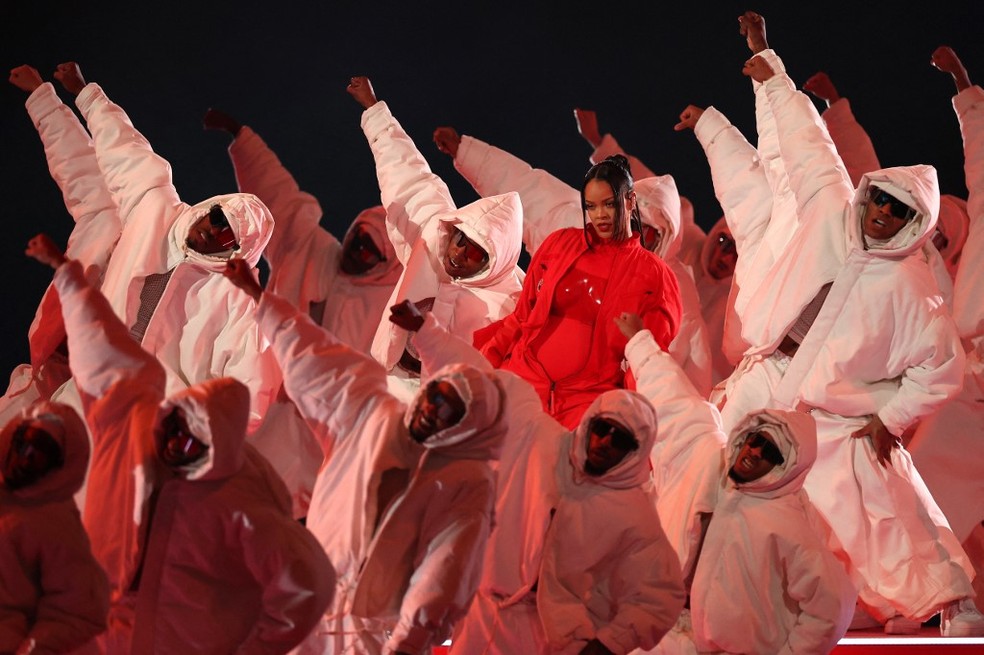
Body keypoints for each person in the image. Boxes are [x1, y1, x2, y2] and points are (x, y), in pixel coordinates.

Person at [711, 16, 984, 637]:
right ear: (868, 196)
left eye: (900, 211)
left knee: (881, 504)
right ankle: (675, 586)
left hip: (833, 414)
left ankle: (948, 600)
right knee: (703, 461)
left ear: (916, 222)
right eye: (881, 200)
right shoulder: (831, 209)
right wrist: (770, 68)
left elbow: (940, 368)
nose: (884, 214)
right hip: (768, 378)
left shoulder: (912, 290)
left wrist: (883, 420)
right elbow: (812, 149)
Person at [26, 233, 336, 654]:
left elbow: (308, 584)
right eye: (173, 429)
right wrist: (68, 278)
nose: (176, 444)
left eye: (190, 440)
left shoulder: (237, 500)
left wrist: (254, 646)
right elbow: (105, 352)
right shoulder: (135, 444)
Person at [223, 257, 509, 655]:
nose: (431, 411)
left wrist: (409, 642)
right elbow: (319, 356)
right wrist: (260, 296)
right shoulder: (375, 415)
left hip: (376, 630)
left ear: (467, 424)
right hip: (312, 596)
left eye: (447, 410)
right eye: (433, 399)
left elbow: (445, 572)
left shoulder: (464, 481)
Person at [384, 305, 685, 655]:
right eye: (603, 429)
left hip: (549, 638)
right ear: (591, 422)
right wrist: (426, 332)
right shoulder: (537, 437)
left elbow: (661, 594)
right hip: (482, 611)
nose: (606, 443)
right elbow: (480, 381)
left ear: (637, 450)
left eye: (621, 440)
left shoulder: (632, 512)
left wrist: (609, 644)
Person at [49, 62, 280, 435]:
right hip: (86, 384)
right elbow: (123, 147)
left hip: (145, 420)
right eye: (216, 218)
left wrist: (193, 436)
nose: (210, 233)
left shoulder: (239, 300)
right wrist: (81, 91)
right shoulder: (156, 210)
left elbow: (251, 391)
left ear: (237, 252)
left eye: (226, 238)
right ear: (211, 205)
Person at [202, 107, 405, 518]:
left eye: (372, 252)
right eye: (358, 239)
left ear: (388, 262)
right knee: (235, 493)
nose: (358, 251)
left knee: (299, 512)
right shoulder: (312, 249)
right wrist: (241, 134)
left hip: (323, 426)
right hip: (266, 397)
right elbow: (278, 195)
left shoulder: (390, 310)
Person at [433, 124, 711, 396]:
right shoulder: (569, 232)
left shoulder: (667, 283)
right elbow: (528, 187)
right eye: (640, 222)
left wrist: (682, 429)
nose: (641, 232)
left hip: (589, 401)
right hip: (526, 376)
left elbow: (688, 366)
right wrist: (466, 152)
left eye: (652, 233)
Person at [347, 76, 525, 402]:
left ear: (493, 261)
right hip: (397, 385)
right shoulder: (436, 236)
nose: (459, 253)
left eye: (475, 252)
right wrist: (374, 110)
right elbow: (408, 176)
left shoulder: (512, 303)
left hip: (457, 408)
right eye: (460, 240)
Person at [473, 153, 681, 429]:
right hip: (521, 381)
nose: (600, 215)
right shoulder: (559, 244)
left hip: (584, 406)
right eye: (591, 207)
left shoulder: (654, 275)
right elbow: (521, 317)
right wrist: (486, 365)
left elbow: (648, 361)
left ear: (630, 201)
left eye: (609, 204)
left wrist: (626, 421)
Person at [3, 65, 121, 430]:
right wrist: (41, 97)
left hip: (92, 400)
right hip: (45, 369)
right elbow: (80, 167)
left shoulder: (172, 269)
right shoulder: (109, 218)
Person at [909, 43, 984, 611]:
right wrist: (962, 86)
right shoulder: (936, 274)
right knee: (926, 478)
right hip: (970, 389)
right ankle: (920, 594)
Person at [690, 409, 855, 654]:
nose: (755, 452)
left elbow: (833, 605)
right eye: (756, 440)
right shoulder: (727, 492)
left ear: (785, 467)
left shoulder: (787, 522)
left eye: (770, 452)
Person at [803, 70, 970, 282]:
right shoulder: (868, 227)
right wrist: (834, 105)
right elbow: (862, 167)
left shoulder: (946, 289)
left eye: (935, 238)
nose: (887, 210)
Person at [0, 400, 110, 655]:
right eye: (22, 445)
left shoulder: (56, 527)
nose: (25, 459)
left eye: (38, 453)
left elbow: (77, 612)